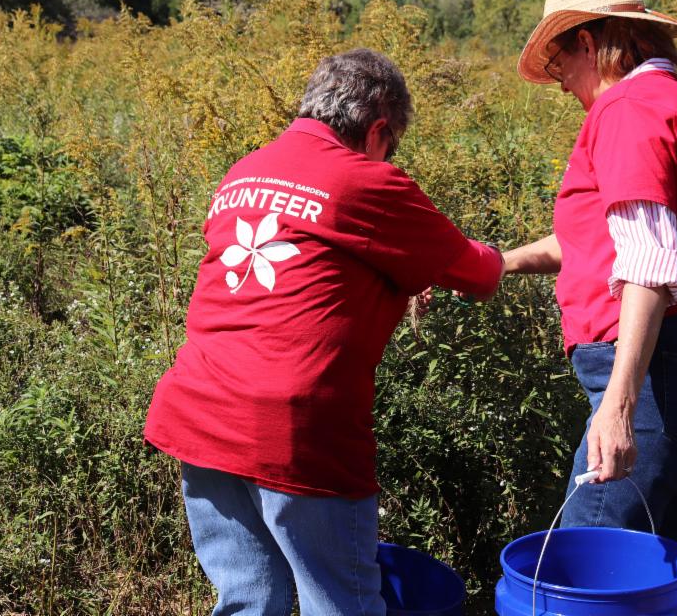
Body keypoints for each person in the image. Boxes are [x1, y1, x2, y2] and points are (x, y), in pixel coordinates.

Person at [143, 48, 503, 616]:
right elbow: (479, 273)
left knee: (248, 600)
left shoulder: (246, 169)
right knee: (342, 605)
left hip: (200, 412)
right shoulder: (367, 181)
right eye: (393, 146)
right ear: (378, 128)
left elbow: (300, 274)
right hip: (294, 429)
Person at [502, 0, 677, 544]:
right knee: (641, 558)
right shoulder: (665, 104)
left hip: (655, 359)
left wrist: (619, 405)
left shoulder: (628, 111)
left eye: (560, 63)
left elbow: (651, 266)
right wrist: (497, 262)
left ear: (589, 42)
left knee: (593, 557)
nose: (560, 84)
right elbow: (602, 242)